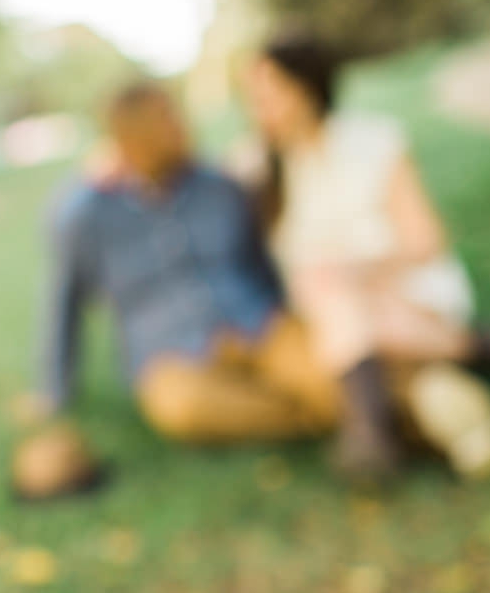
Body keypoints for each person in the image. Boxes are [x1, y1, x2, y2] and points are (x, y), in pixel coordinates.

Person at [240, 33, 490, 481]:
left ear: (307, 89)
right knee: (331, 294)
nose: (259, 109)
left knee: (334, 292)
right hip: (340, 312)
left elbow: (427, 241)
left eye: (270, 95)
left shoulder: (371, 142)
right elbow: (194, 177)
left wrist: (359, 270)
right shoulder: (260, 164)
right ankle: (477, 350)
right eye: (252, 98)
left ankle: (372, 435)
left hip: (405, 288)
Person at [36, 83, 343, 455]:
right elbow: (64, 301)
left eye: (177, 115)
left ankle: (355, 412)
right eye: (165, 121)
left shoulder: (220, 187)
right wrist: (54, 391)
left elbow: (262, 264)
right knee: (183, 409)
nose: (182, 128)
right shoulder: (86, 216)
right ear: (129, 136)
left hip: (256, 324)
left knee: (327, 379)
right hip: (169, 355)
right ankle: (320, 419)